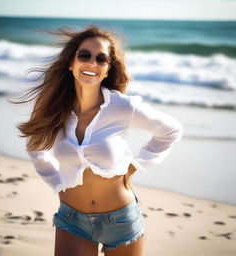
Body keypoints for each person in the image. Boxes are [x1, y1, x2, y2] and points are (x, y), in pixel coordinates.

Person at [17, 25, 183, 256]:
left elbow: (171, 130)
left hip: (121, 221)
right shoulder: (55, 109)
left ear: (107, 70)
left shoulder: (123, 106)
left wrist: (136, 166)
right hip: (72, 220)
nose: (92, 63)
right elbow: (35, 148)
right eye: (84, 55)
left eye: (101, 59)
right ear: (71, 62)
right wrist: (57, 182)